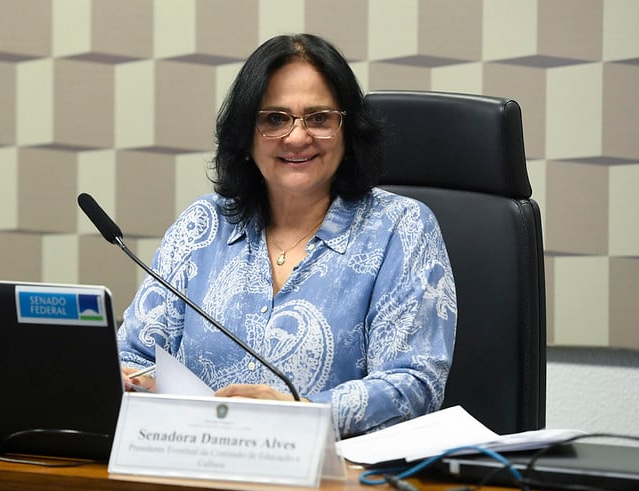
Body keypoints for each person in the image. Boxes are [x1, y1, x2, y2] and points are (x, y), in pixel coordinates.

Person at [118, 33, 457, 438]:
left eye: (319, 118)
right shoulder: (202, 226)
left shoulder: (400, 229)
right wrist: (138, 382)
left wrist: (300, 411)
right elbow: (132, 353)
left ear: (348, 133)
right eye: (274, 119)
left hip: (335, 483)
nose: (297, 137)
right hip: (196, 462)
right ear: (246, 136)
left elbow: (414, 383)